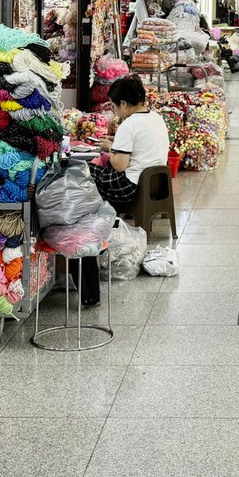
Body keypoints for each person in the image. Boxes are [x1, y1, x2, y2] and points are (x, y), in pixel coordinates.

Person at [84, 75, 172, 307]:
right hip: (155, 181)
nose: (114, 111)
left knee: (85, 172)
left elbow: (119, 165)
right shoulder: (155, 118)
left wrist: (109, 147)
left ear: (123, 103)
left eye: (114, 106)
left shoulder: (129, 125)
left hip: (129, 187)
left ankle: (93, 225)